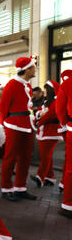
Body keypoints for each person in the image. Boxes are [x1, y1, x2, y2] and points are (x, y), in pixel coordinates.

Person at [0, 57, 37, 202]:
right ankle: (6, 188)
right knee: (10, 157)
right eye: (33, 67)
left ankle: (20, 187)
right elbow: (2, 108)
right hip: (14, 125)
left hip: (28, 124)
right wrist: (3, 126)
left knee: (26, 158)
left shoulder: (27, 85)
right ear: (26, 69)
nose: (35, 70)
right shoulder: (12, 85)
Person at [31, 80, 63, 188]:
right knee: (47, 156)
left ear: (50, 90)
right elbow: (39, 113)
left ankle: (40, 176)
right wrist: (40, 115)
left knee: (45, 156)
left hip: (51, 132)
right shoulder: (46, 102)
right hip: (44, 131)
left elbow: (49, 116)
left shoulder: (56, 102)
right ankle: (50, 177)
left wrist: (39, 120)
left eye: (45, 89)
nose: (44, 91)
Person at [56, 69, 72, 218]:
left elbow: (60, 109)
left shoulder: (67, 84)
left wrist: (65, 123)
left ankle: (68, 205)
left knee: (70, 168)